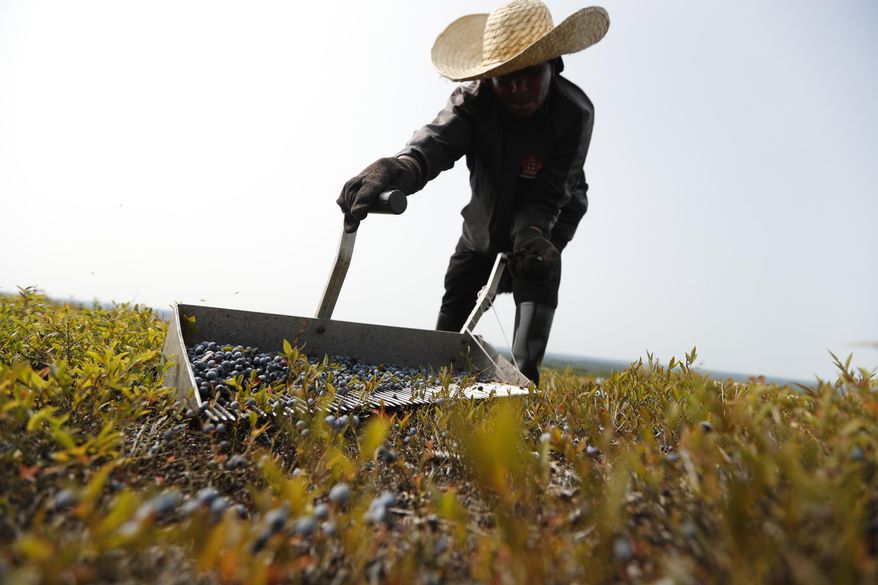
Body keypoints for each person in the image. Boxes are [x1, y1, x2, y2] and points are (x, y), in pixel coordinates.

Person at [337, 0, 609, 385]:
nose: (516, 87)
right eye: (505, 76)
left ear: (553, 65)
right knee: (450, 323)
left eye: (529, 72)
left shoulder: (575, 113)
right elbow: (436, 142)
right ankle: (435, 388)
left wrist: (534, 236)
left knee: (537, 279)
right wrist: (401, 167)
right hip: (481, 227)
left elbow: (552, 193)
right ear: (491, 76)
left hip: (544, 225)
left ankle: (522, 391)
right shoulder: (473, 101)